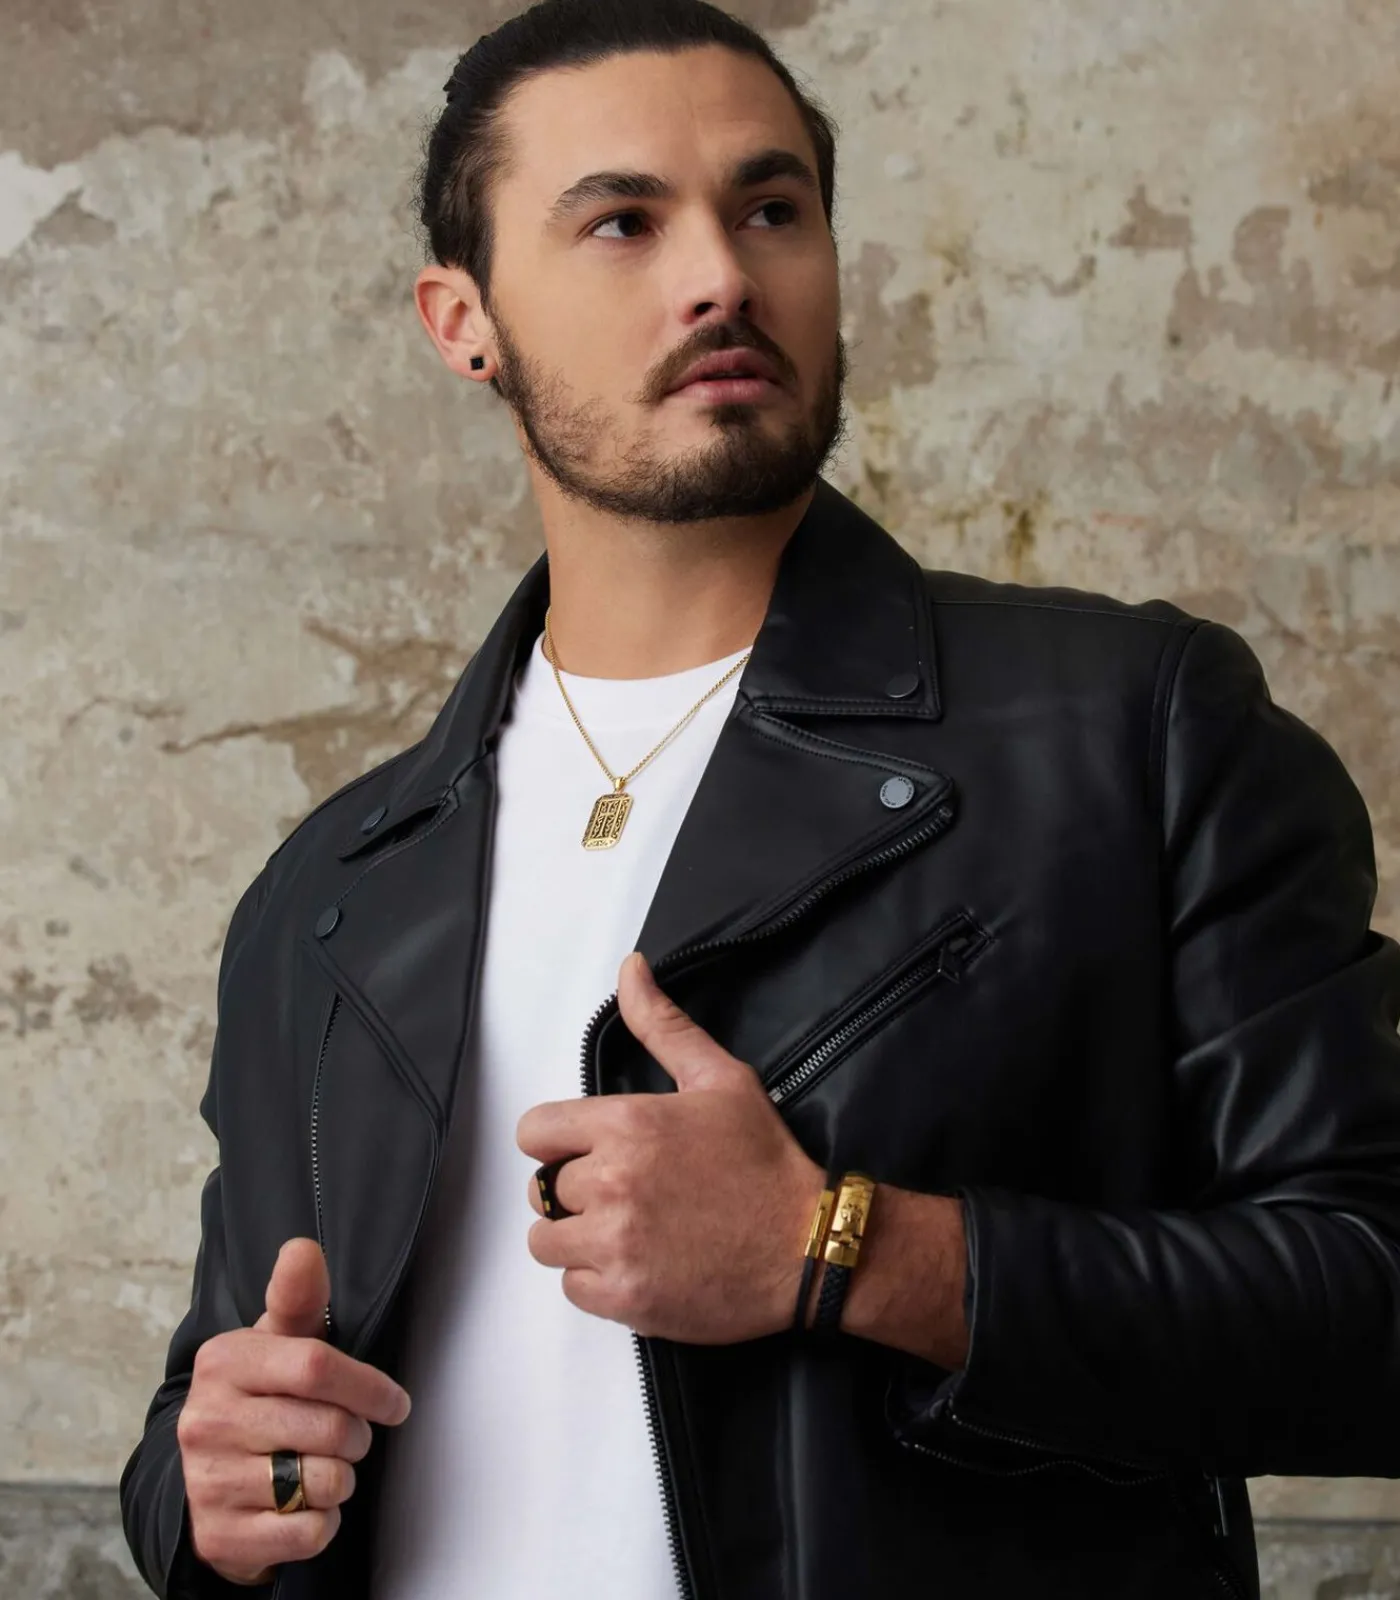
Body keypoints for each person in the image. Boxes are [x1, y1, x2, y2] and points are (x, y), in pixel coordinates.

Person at [119, 1, 1400, 1596]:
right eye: (622, 222)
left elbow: (1372, 1298)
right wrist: (208, 1490)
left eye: (773, 208)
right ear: (464, 320)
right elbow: (202, 1423)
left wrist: (846, 1246)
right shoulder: (329, 894)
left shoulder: (1127, 732)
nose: (721, 275)